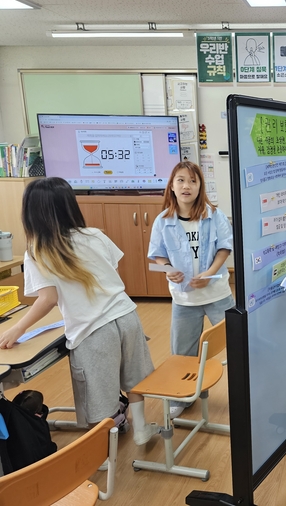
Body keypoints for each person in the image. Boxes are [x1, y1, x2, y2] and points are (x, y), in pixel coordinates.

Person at [0, 177, 159, 445]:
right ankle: (142, 428)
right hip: (126, 316)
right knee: (134, 379)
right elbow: (110, 274)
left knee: (97, 398)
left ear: (31, 213)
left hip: (93, 332)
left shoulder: (38, 251)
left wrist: (18, 328)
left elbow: (48, 299)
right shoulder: (94, 235)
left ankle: (99, 453)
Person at [148, 161, 234, 419]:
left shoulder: (214, 215)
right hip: (184, 298)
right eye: (181, 180)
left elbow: (224, 248)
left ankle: (249, 390)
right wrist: (168, 269)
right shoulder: (163, 221)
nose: (187, 186)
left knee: (239, 342)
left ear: (200, 187)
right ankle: (182, 395)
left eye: (193, 181)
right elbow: (158, 255)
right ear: (172, 186)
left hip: (217, 294)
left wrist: (209, 273)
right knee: (182, 352)